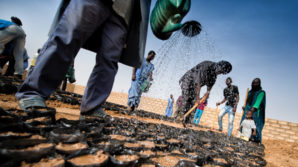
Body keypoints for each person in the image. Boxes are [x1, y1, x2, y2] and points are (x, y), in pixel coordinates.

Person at [15, 0, 189, 118]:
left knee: (110, 57)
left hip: (125, 9)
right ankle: (33, 92)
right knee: (69, 35)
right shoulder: (146, 62)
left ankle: (92, 105)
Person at [240, 78, 266, 143]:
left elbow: (257, 104)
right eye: (253, 83)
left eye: (256, 83)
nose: (254, 84)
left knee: (254, 127)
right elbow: (248, 102)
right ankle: (244, 138)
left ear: (259, 84)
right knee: (244, 125)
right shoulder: (250, 92)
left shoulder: (261, 93)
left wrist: (251, 111)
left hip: (255, 114)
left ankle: (255, 140)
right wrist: (245, 107)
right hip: (247, 111)